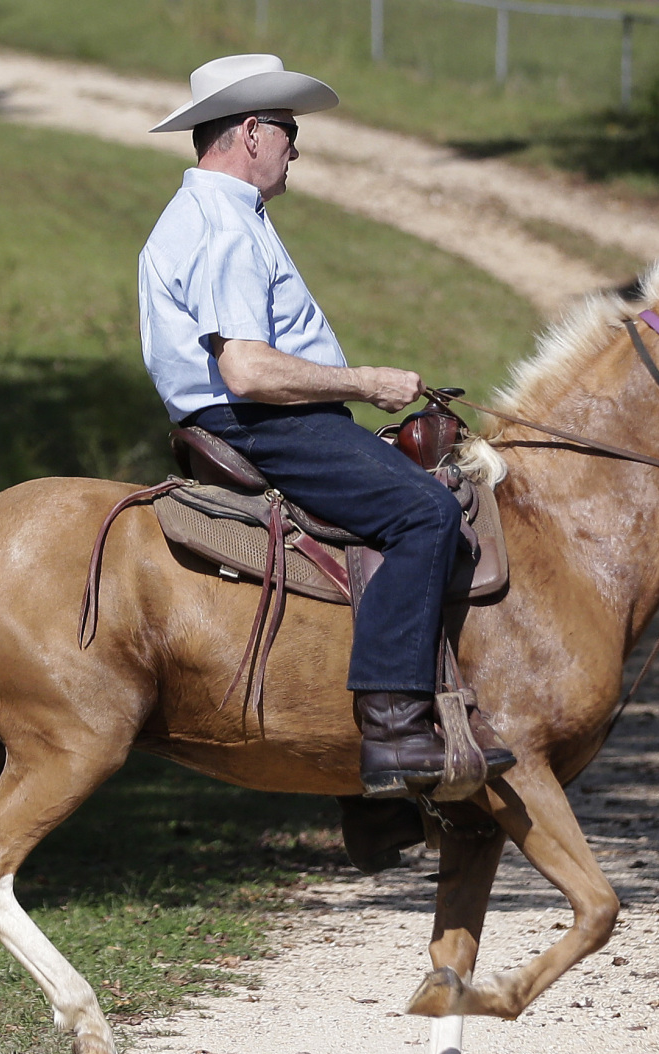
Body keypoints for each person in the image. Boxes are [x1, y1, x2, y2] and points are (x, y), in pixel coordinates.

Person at [139, 54, 510, 799]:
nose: (296, 147)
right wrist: (367, 382)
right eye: (288, 131)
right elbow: (245, 368)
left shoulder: (223, 214)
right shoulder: (224, 226)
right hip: (263, 420)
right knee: (426, 511)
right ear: (249, 131)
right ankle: (395, 727)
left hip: (260, 418)